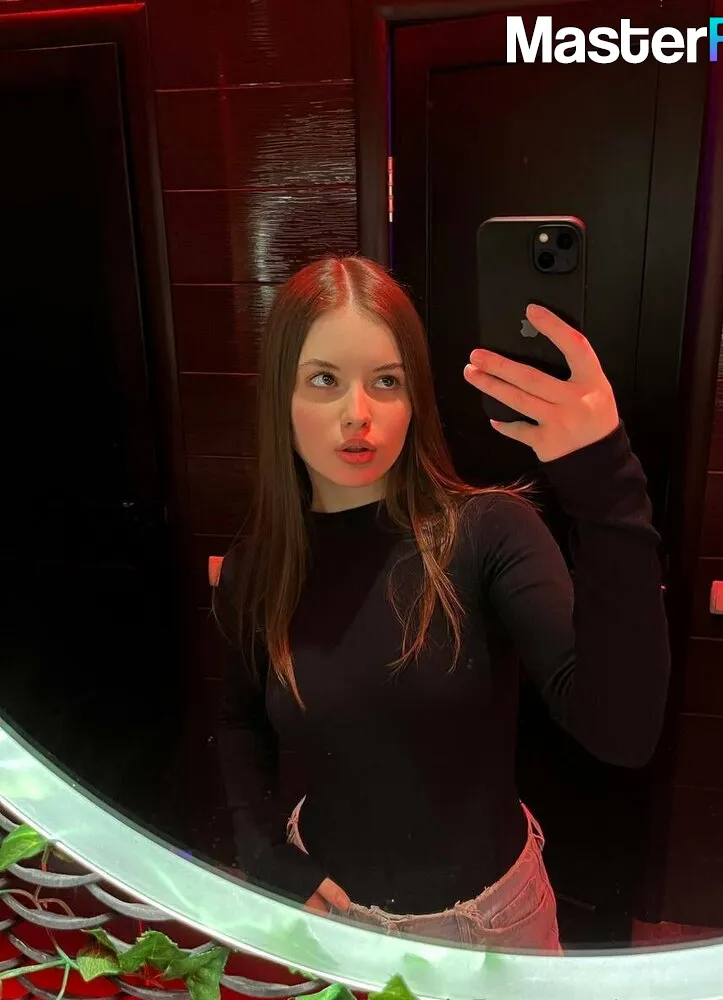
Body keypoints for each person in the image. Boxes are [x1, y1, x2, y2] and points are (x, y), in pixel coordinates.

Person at [212, 254, 671, 951]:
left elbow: (622, 731)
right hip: (330, 924)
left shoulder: (489, 532)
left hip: (493, 929)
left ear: (414, 399)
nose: (357, 414)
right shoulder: (257, 568)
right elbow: (238, 719)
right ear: (282, 394)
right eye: (324, 380)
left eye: (386, 381)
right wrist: (261, 851)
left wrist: (605, 482)